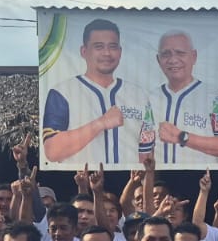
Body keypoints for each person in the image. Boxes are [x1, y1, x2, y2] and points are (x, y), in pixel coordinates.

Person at [42, 18, 154, 165]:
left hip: (129, 184)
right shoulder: (62, 92)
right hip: (81, 183)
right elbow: (52, 151)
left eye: (113, 46)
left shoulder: (139, 95)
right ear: (84, 51)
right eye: (99, 46)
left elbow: (146, 152)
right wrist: (100, 124)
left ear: (120, 52)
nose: (107, 53)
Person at [147, 30, 218, 163]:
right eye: (166, 54)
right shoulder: (151, 98)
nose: (173, 60)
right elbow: (142, 148)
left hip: (201, 179)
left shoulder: (211, 95)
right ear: (158, 60)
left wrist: (181, 137)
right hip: (161, 179)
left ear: (193, 56)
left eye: (180, 53)